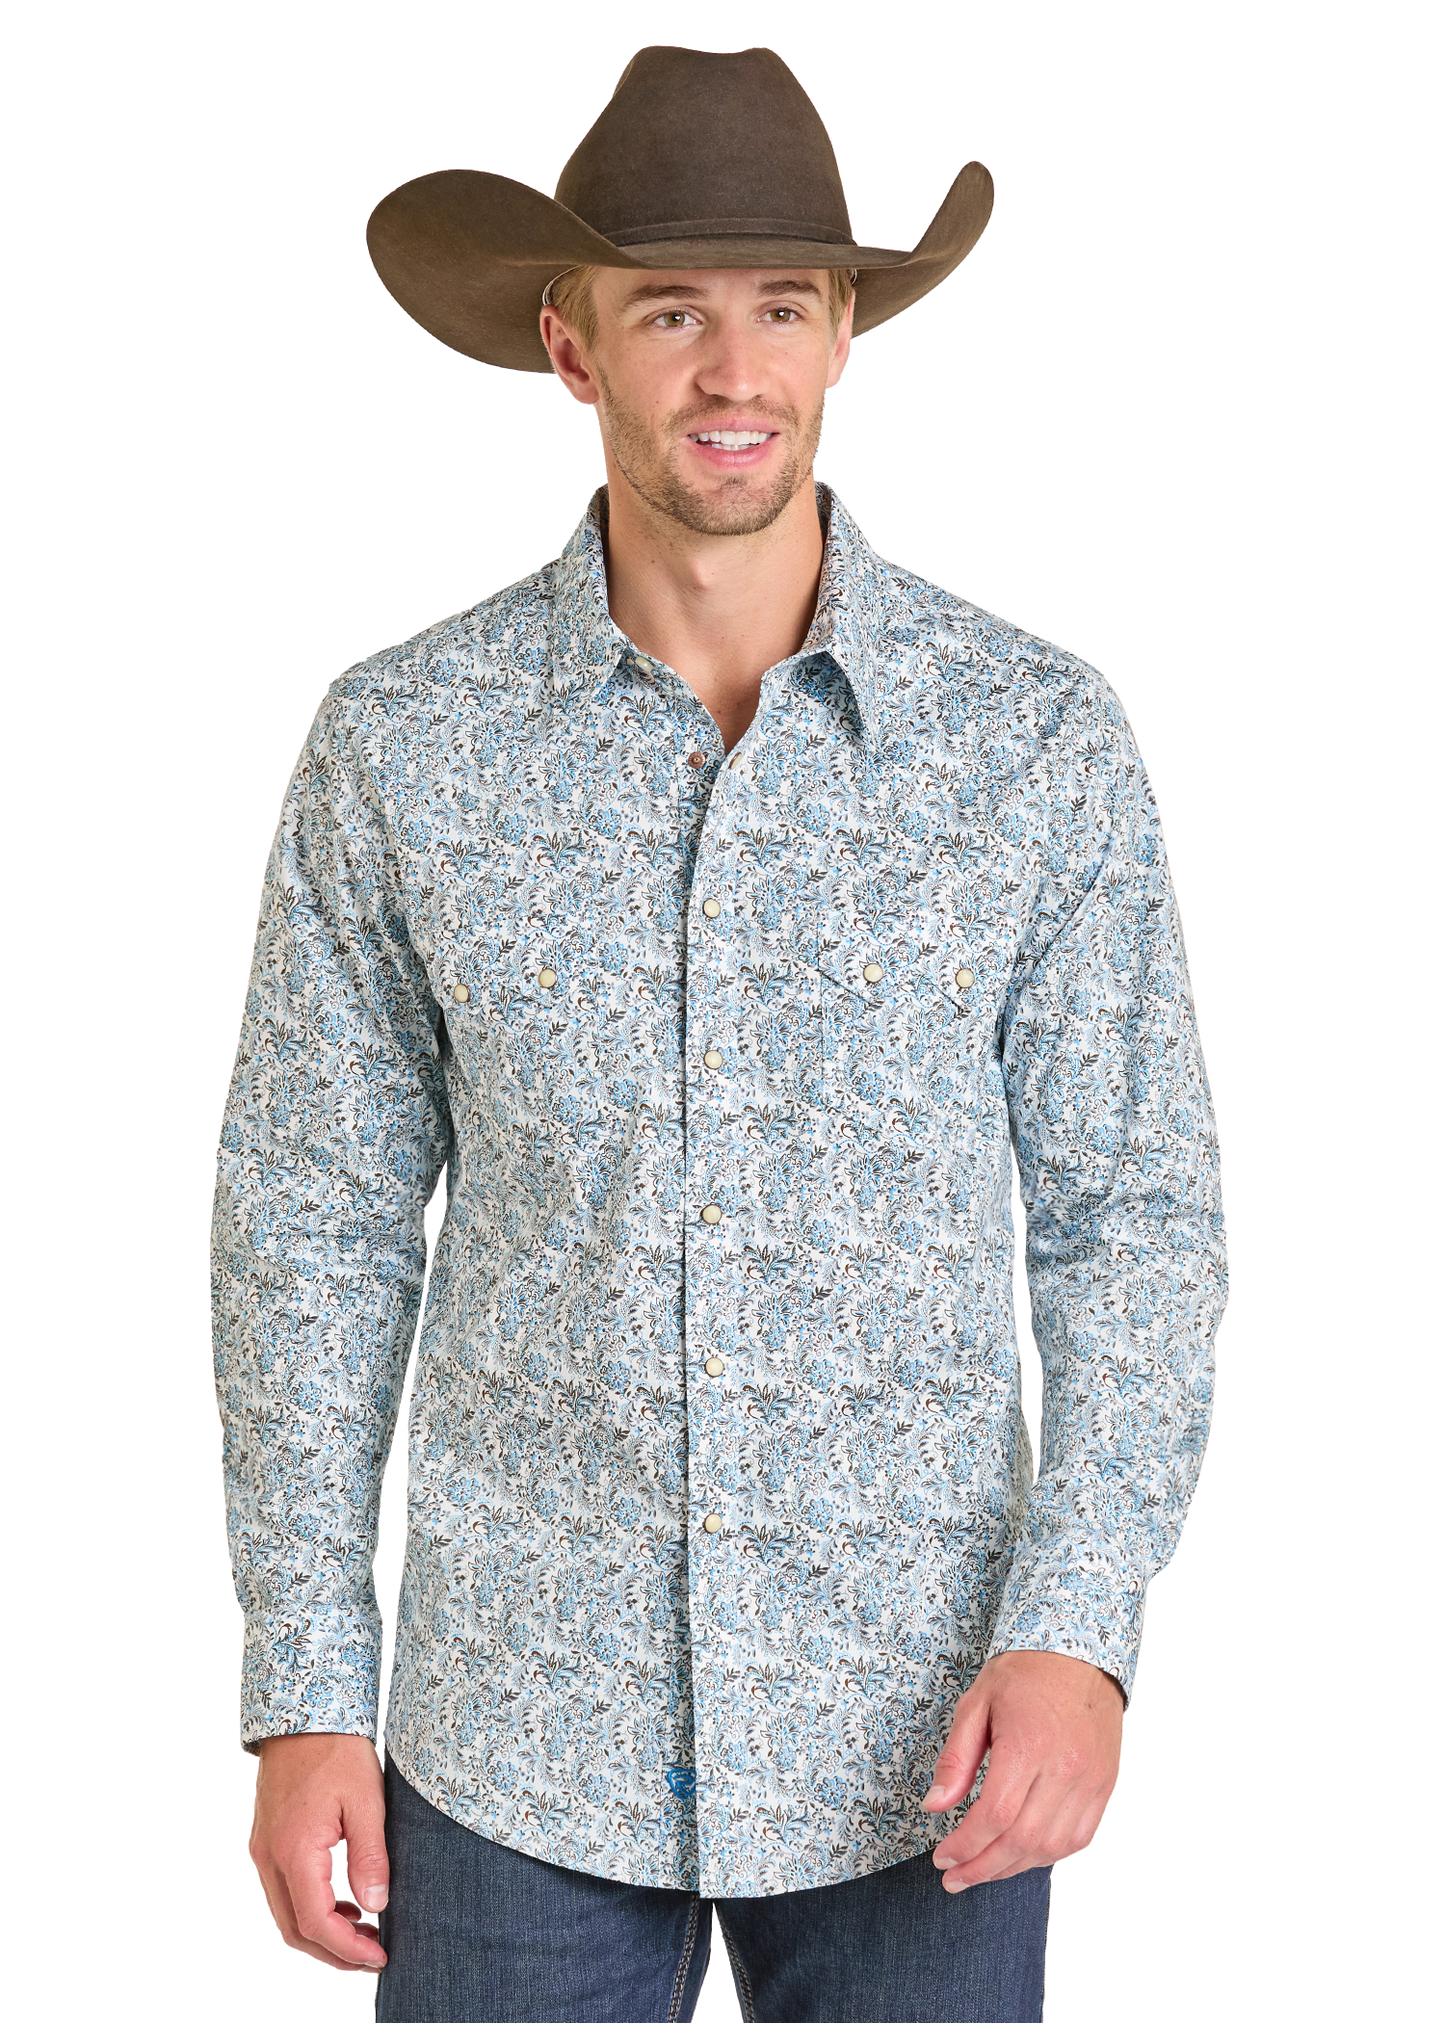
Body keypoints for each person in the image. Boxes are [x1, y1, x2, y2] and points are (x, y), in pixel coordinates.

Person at [210, 41, 1231, 2023]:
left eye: (783, 308)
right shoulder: (399, 750)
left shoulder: (1032, 745)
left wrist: (1081, 1631)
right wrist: (304, 1690)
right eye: (670, 312)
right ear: (571, 347)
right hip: (508, 1734)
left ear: (845, 336)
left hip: (928, 1741)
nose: (732, 374)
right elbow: (305, 1240)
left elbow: (1136, 1228)